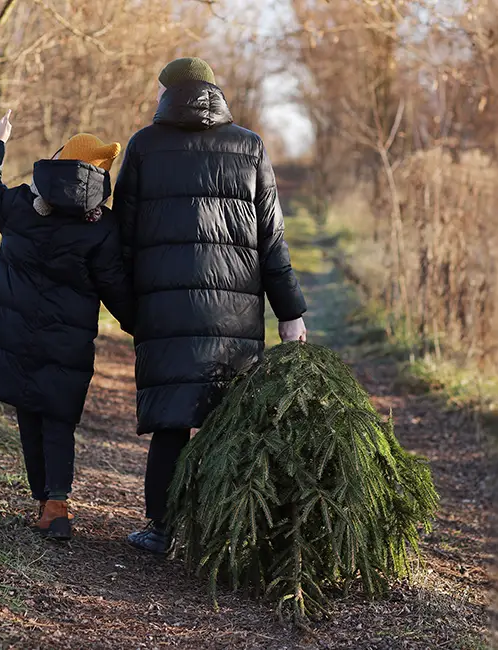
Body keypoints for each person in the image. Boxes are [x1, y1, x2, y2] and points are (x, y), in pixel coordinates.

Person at [113, 57, 308, 553]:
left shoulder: (143, 146)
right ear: (213, 91)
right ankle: (232, 535)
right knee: (232, 422)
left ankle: (161, 530)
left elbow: (123, 241)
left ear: (167, 94)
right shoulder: (249, 146)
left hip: (163, 312)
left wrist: (131, 312)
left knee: (172, 422)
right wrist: (290, 312)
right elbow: (272, 242)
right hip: (234, 314)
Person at [0, 111, 136, 541]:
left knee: (29, 413)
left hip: (16, 337)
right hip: (68, 342)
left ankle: (44, 501)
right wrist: (141, 325)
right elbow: (115, 285)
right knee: (58, 418)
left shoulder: (23, 205)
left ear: (59, 161)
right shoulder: (102, 225)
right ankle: (56, 503)